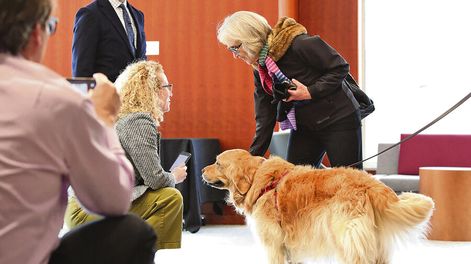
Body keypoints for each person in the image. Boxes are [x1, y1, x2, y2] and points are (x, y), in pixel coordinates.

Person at [0, 0, 156, 264]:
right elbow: (113, 200)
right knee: (133, 231)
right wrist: (101, 118)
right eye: (51, 27)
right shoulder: (57, 100)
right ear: (38, 33)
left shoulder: (137, 16)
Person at [65, 60, 187, 250]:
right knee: (171, 197)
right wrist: (174, 177)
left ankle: (126, 251)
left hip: (80, 206)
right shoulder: (139, 121)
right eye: (166, 86)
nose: (171, 92)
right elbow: (155, 180)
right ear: (151, 91)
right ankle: (134, 254)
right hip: (87, 211)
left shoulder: (124, 117)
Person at [217, 11, 363, 169]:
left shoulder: (299, 44)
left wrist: (310, 91)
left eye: (235, 48)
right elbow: (265, 115)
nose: (235, 55)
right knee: (293, 181)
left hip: (338, 118)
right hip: (305, 125)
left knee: (350, 181)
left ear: (249, 39)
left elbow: (340, 68)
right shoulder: (260, 68)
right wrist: (251, 157)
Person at [72, 0, 147, 82]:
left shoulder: (138, 15)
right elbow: (81, 71)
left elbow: (141, 60)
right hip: (106, 93)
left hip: (137, 93)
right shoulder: (90, 14)